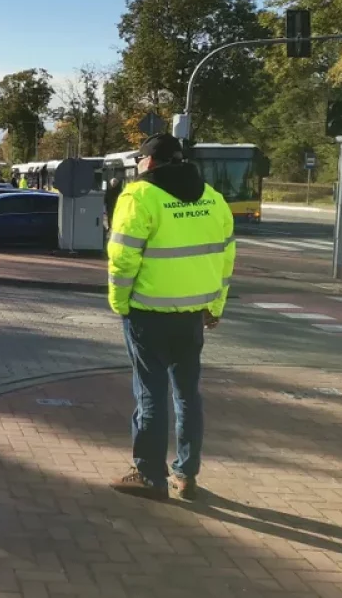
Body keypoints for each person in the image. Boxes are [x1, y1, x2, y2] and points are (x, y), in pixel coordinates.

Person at [107, 133, 234, 502]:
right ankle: (186, 473)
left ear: (148, 162)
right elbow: (225, 258)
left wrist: (120, 303)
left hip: (148, 313)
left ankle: (149, 474)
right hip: (193, 315)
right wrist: (216, 306)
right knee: (187, 395)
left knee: (150, 393)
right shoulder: (213, 198)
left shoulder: (139, 196)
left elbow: (123, 258)